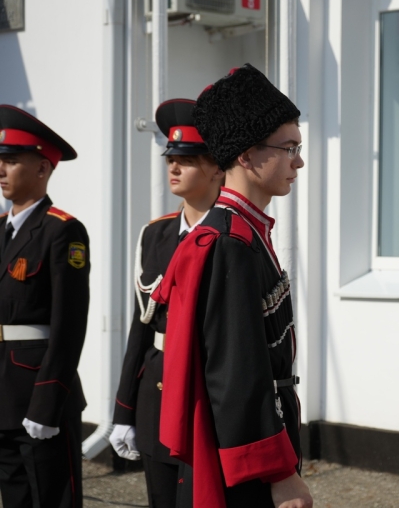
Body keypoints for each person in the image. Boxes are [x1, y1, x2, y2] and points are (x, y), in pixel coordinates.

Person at [151, 64, 312, 508]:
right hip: (246, 456)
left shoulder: (246, 231)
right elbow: (237, 373)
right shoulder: (230, 242)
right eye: (289, 148)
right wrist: (278, 473)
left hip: (267, 430)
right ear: (245, 155)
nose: (299, 161)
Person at [110, 98, 224, 507]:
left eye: (189, 158)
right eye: (170, 157)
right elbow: (141, 327)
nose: (174, 166)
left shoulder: (231, 235)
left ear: (217, 166)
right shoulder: (155, 234)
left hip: (206, 397)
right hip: (156, 394)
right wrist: (123, 410)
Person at [0, 106, 90, 508]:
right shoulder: (1, 230)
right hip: (3, 395)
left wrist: (48, 400)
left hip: (38, 394)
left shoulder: (62, 229)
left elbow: (69, 323)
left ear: (42, 168)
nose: (1, 170)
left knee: (51, 499)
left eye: (11, 161)